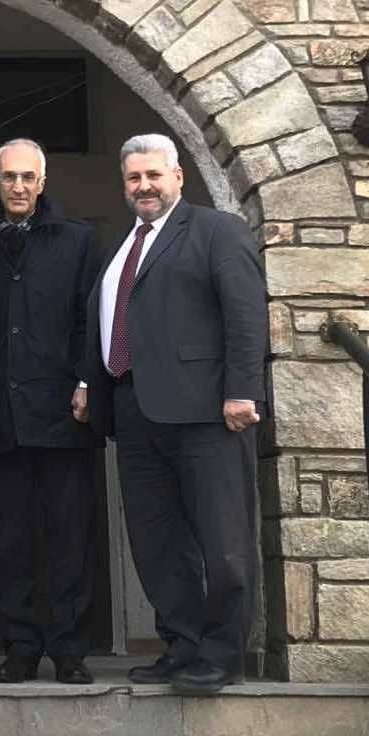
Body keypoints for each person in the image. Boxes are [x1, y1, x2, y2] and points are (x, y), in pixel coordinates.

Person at [75, 133, 267, 695]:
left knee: (223, 541)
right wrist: (89, 381)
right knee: (157, 542)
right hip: (134, 410)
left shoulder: (216, 230)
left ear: (178, 176)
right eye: (134, 178)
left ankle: (222, 655)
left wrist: (242, 391)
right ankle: (181, 645)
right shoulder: (123, 246)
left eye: (153, 175)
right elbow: (113, 320)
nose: (144, 186)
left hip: (207, 412)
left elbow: (245, 314)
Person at [0, 138, 101, 685]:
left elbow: (91, 317)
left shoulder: (79, 239)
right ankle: (20, 648)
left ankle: (69, 650)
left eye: (28, 177)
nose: (19, 186)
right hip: (3, 416)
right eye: (9, 177)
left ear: (43, 183)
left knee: (70, 537)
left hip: (65, 413)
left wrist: (86, 381)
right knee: (12, 541)